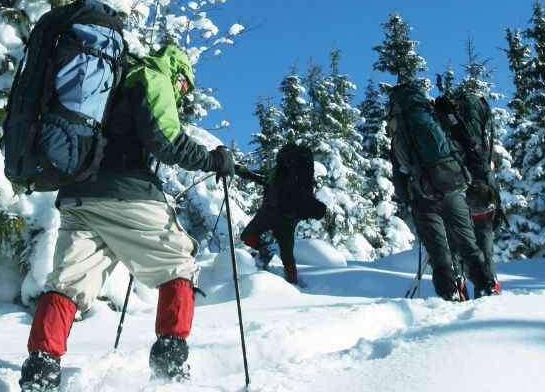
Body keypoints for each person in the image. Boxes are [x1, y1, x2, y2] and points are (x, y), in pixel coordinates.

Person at [19, 43, 235, 391]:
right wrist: (213, 160)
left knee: (67, 284)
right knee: (179, 265)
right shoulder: (153, 76)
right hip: (127, 194)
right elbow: (166, 141)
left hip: (77, 197)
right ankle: (170, 362)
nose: (182, 93)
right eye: (184, 86)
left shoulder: (104, 83)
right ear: (177, 72)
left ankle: (41, 369)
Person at [387, 82, 496, 302]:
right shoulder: (432, 115)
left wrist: (408, 199)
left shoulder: (398, 127)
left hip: (423, 196)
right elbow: (458, 143)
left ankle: (450, 294)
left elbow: (399, 172)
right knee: (468, 245)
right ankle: (486, 286)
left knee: (439, 253)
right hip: (453, 189)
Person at [434, 91, 503, 296]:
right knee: (483, 244)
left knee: (455, 243)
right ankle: (489, 284)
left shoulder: (444, 126)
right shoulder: (479, 125)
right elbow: (487, 162)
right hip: (482, 194)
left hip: (454, 194)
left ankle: (457, 286)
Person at [237, 142, 327, 285]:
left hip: (270, 214)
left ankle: (265, 253)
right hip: (286, 220)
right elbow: (307, 201)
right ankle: (293, 282)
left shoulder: (279, 173)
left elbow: (260, 177)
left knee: (248, 236)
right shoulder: (295, 178)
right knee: (287, 256)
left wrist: (240, 171)